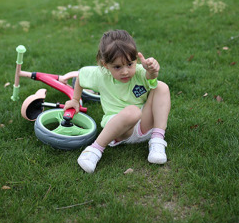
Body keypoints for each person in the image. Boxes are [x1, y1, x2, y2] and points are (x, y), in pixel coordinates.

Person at [64, 30, 171, 174]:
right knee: (132, 112)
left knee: (161, 87)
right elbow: (80, 77)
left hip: (144, 126)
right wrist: (75, 100)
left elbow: (151, 79)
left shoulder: (139, 72)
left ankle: (157, 140)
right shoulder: (101, 75)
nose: (125, 71)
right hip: (119, 130)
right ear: (105, 65)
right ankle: (95, 149)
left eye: (129, 64)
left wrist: (153, 71)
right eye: (117, 67)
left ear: (136, 60)